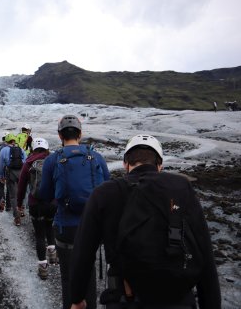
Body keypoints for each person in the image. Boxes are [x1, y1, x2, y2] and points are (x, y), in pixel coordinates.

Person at [69, 135, 221, 309]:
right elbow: (205, 254)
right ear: (160, 165)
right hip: (179, 300)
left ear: (126, 164)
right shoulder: (182, 188)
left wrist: (77, 297)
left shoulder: (104, 193)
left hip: (125, 300)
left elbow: (83, 253)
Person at [39, 115, 110, 309]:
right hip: (92, 227)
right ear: (80, 134)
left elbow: (44, 194)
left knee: (68, 276)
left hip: (65, 227)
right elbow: (108, 190)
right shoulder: (96, 157)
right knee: (89, 273)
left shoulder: (53, 159)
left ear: (60, 135)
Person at [16, 137, 57, 280]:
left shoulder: (28, 163)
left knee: (39, 235)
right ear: (46, 148)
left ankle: (43, 268)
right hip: (52, 203)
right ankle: (52, 254)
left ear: (33, 148)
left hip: (35, 204)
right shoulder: (53, 161)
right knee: (50, 227)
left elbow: (21, 186)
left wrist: (19, 203)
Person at [0, 133, 27, 226]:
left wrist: (1, 176)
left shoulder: (3, 150)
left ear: (6, 141)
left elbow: (1, 164)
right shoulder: (20, 149)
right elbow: (25, 161)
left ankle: (17, 218)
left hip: (10, 174)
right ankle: (22, 209)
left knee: (13, 196)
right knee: (22, 192)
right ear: (14, 140)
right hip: (21, 173)